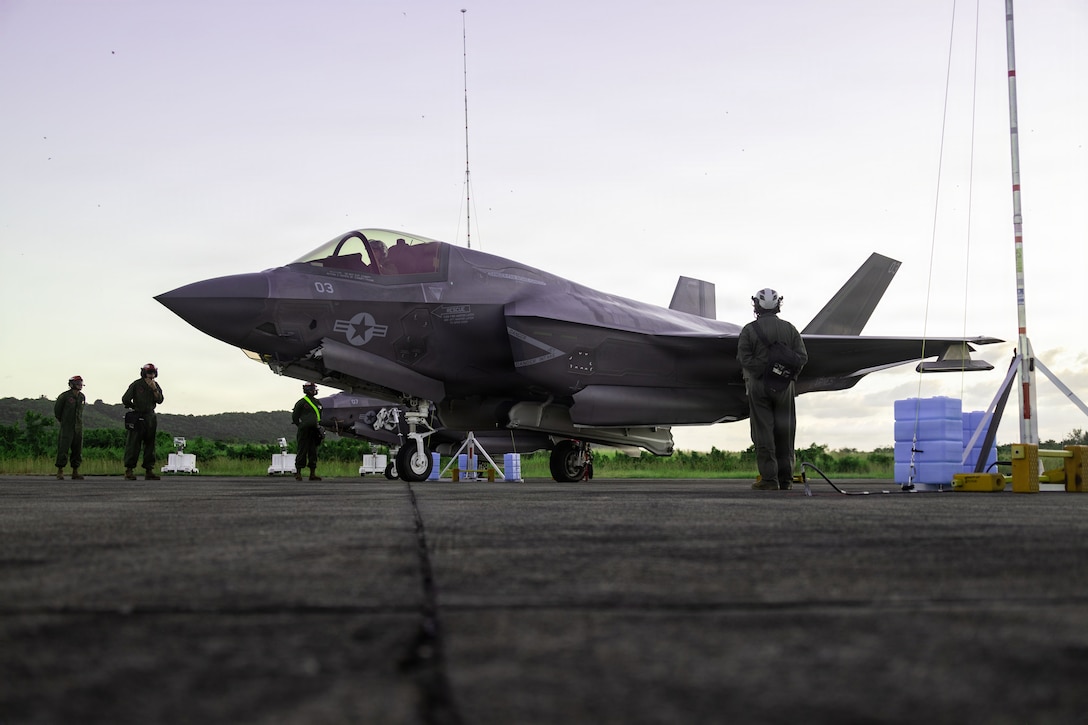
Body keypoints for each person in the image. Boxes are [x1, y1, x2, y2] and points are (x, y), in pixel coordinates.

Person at [737, 288, 808, 491]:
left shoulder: (749, 330)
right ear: (778, 305)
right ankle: (786, 480)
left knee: (763, 432)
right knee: (786, 431)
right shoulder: (790, 329)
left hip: (758, 386)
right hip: (784, 386)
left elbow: (744, 358)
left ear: (756, 306)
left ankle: (769, 480)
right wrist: (783, 374)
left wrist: (763, 371)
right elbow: (802, 358)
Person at [122, 363, 165, 481]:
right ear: (144, 373)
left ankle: (149, 470)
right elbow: (125, 398)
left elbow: (160, 400)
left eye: (153, 372)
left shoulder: (156, 385)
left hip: (150, 416)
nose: (151, 375)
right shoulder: (136, 384)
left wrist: (154, 389)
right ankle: (129, 470)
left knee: (150, 443)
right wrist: (133, 407)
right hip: (138, 415)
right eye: (149, 372)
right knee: (133, 443)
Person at [54, 375, 86, 480]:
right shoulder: (64, 396)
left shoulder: (82, 397)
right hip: (67, 427)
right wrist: (63, 421)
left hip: (78, 427)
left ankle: (75, 471)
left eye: (80, 382)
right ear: (71, 384)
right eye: (77, 383)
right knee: (63, 448)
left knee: (77, 449)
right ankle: (60, 470)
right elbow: (57, 410)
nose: (79, 385)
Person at [292, 382, 324, 481]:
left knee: (313, 451)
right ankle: (298, 473)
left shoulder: (318, 402)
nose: (314, 390)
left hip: (315, 430)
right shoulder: (301, 402)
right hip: (304, 430)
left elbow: (320, 415)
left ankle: (312, 474)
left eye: (314, 388)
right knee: (302, 450)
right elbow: (295, 417)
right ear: (307, 390)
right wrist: (301, 425)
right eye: (312, 388)